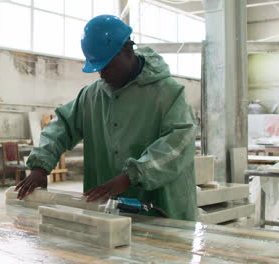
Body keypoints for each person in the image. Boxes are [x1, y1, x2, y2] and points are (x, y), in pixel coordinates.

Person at [15, 14, 197, 221]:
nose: (102, 74)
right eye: (98, 67)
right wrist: (41, 167)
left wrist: (132, 176)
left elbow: (178, 143)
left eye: (107, 65)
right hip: (107, 212)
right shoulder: (92, 96)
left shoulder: (168, 93)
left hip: (163, 210)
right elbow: (61, 127)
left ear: (127, 51)